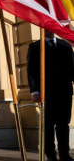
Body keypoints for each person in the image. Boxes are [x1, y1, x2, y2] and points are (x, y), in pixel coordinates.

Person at [27, 30, 74, 161]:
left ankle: (65, 154)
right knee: (48, 125)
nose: (48, 30)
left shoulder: (66, 45)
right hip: (45, 93)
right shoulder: (35, 47)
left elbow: (72, 68)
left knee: (63, 124)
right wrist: (34, 91)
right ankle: (51, 155)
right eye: (45, 27)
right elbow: (31, 70)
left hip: (65, 92)